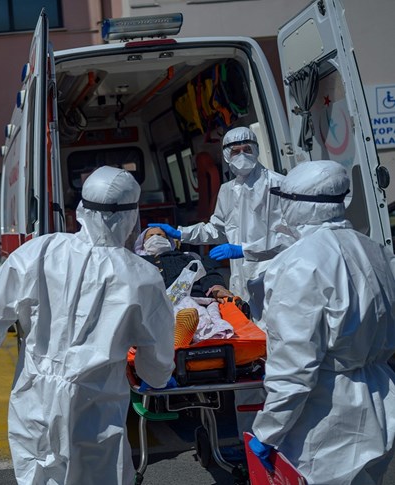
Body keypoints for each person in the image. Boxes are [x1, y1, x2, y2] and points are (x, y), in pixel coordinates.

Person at [0, 166, 175, 484]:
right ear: (131, 215)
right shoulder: (141, 275)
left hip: (33, 400)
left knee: (36, 476)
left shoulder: (39, 251)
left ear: (82, 209)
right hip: (95, 408)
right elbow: (155, 357)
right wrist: (157, 375)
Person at [248, 161, 395, 484]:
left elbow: (294, 369)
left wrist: (268, 431)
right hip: (382, 398)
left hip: (329, 414)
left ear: (297, 204)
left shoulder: (300, 264)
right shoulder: (373, 249)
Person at [150, 126, 288, 302]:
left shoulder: (279, 186)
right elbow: (217, 230)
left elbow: (289, 238)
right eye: (235, 151)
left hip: (272, 274)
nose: (242, 155)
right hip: (240, 277)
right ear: (226, 155)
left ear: (256, 150)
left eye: (247, 149)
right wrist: (181, 233)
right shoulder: (227, 190)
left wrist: (244, 250)